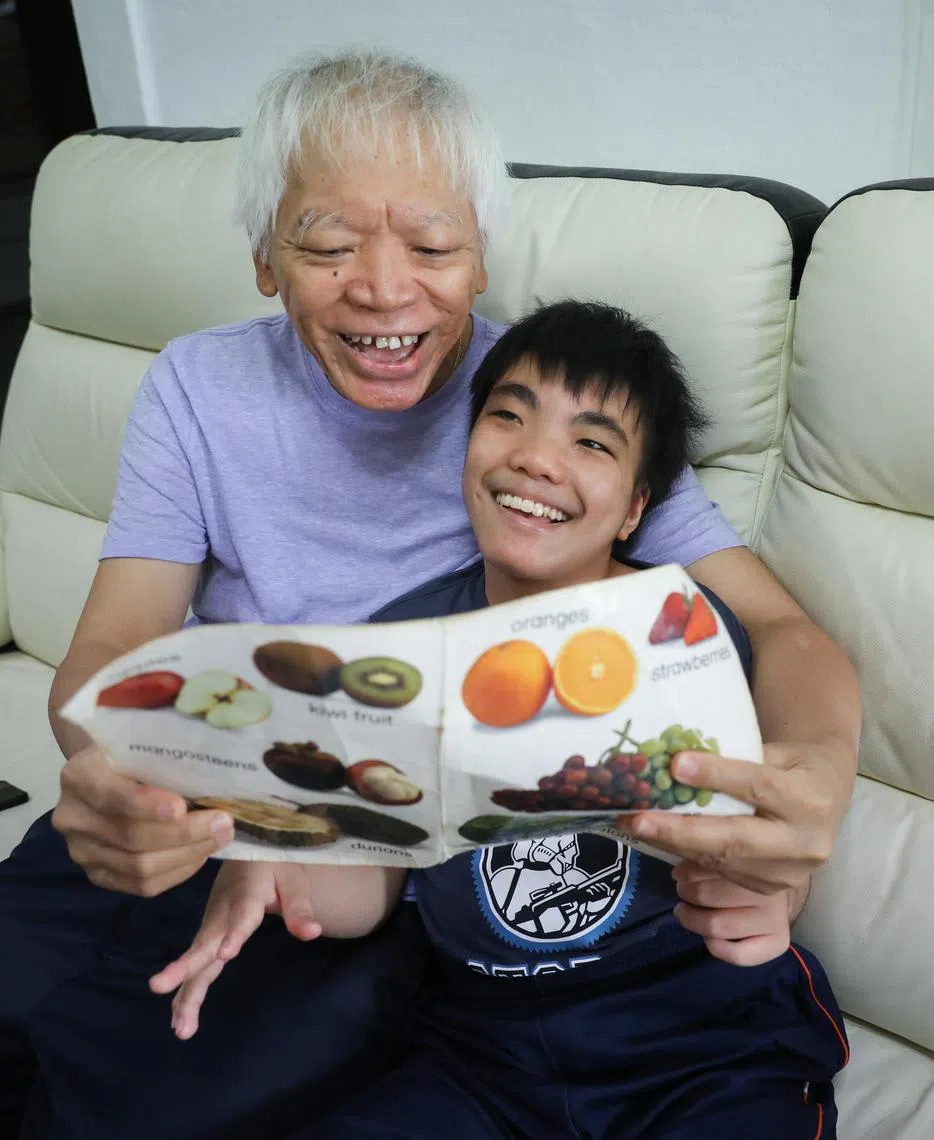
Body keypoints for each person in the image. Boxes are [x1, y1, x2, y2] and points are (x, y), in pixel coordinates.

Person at [0, 49, 859, 1139]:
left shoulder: (543, 401)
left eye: (432, 245)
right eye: (326, 244)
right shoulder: (196, 386)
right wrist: (116, 779)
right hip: (189, 790)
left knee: (137, 1100)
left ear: (479, 255)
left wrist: (817, 776)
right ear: (267, 259)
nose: (384, 288)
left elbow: (782, 630)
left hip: (367, 860)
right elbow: (107, 656)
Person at [154, 300, 850, 1139]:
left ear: (635, 509)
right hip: (481, 1053)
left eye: (590, 443)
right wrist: (277, 865)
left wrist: (777, 891)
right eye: (508, 417)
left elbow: (769, 829)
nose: (536, 459)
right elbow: (371, 875)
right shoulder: (398, 650)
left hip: (702, 1040)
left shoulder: (680, 631)